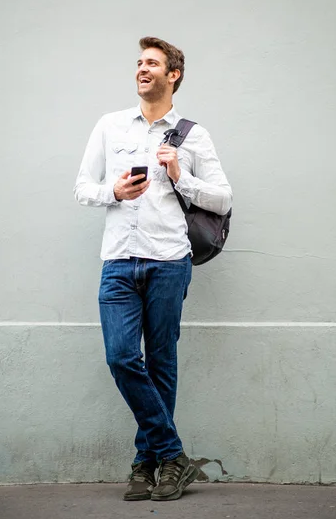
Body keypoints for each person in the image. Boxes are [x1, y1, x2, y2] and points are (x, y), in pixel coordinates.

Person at [74, 36, 232, 501]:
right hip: (119, 261)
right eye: (139, 63)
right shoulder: (110, 126)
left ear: (173, 75)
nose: (142, 69)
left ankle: (148, 465)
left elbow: (223, 198)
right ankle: (174, 454)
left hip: (168, 261)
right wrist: (113, 194)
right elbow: (83, 186)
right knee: (122, 357)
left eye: (152, 63)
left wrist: (182, 175)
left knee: (161, 361)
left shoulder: (191, 133)